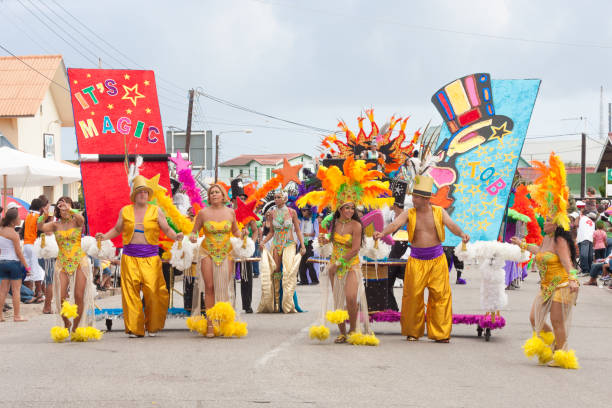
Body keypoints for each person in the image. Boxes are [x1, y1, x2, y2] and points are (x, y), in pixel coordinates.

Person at [298, 156, 388, 345]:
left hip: (351, 265)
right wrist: (323, 241)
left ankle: (353, 329)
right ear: (339, 208)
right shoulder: (335, 223)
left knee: (350, 297)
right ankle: (342, 333)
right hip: (334, 266)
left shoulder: (356, 225)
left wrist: (340, 262)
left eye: (351, 208)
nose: (349, 210)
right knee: (338, 300)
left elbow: (355, 249)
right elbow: (332, 242)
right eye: (346, 208)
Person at [375, 174, 470, 343]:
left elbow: (451, 225)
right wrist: (382, 233)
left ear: (425, 198)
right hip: (416, 260)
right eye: (413, 196)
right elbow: (395, 224)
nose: (412, 199)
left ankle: (440, 334)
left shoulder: (439, 212)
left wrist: (462, 233)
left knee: (440, 296)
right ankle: (413, 331)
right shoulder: (408, 213)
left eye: (416, 197)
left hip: (437, 260)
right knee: (412, 296)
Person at [511, 152, 580, 368]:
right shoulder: (545, 238)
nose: (544, 222)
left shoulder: (559, 239)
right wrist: (521, 244)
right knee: (535, 318)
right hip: (546, 286)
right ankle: (552, 346)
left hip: (561, 285)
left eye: (548, 220)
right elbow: (537, 250)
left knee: (558, 322)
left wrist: (573, 279)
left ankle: (561, 355)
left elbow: (568, 262)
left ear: (556, 223)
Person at [97, 175, 183, 337]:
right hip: (130, 257)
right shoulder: (125, 210)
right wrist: (104, 237)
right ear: (134, 195)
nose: (143, 194)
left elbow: (166, 229)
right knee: (131, 293)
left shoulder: (156, 210)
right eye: (140, 191)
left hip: (151, 257)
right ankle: (135, 328)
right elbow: (117, 229)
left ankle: (153, 325)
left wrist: (176, 236)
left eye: (145, 192)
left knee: (154, 293)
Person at [189, 184, 241, 336]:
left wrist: (241, 235)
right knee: (210, 286)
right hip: (207, 252)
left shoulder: (230, 212)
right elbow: (195, 231)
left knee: (224, 287)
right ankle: (210, 324)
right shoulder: (203, 213)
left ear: (223, 195)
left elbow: (235, 230)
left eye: (217, 192)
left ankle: (224, 322)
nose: (214, 195)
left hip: (226, 252)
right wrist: (192, 237)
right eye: (211, 193)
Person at [38, 197, 93, 331]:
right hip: (62, 262)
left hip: (79, 261)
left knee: (79, 295)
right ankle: (66, 321)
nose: (63, 207)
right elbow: (41, 227)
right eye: (60, 205)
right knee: (60, 296)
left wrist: (69, 209)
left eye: (66, 204)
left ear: (70, 206)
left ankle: (76, 326)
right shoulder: (55, 225)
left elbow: (82, 220)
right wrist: (44, 216)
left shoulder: (77, 221)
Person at [258, 190, 306, 313]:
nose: (276, 199)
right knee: (276, 271)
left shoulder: (292, 212)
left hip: (289, 244)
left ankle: (289, 303)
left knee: (288, 272)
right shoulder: (273, 213)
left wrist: (302, 245)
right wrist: (263, 242)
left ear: (285, 199)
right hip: (276, 244)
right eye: (275, 197)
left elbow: (298, 230)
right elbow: (272, 232)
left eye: (279, 197)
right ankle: (277, 304)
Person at [0, 208, 31, 322]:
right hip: (13, 263)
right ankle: (17, 316)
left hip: (2, 262)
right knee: (16, 290)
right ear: (13, 221)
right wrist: (27, 266)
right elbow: (18, 253)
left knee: (2, 291)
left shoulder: (1, 230)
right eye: (18, 217)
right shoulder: (14, 234)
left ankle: (0, 316)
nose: (20, 219)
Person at [22, 198, 45, 302]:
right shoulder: (38, 217)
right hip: (33, 244)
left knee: (28, 270)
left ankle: (28, 294)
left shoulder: (28, 215)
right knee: (36, 269)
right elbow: (41, 229)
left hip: (26, 244)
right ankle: (39, 293)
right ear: (41, 207)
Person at [298, 205, 319, 285]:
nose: (302, 212)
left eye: (304, 210)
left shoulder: (314, 220)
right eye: (302, 210)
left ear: (309, 211)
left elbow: (316, 232)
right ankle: (304, 280)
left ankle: (314, 280)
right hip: (302, 242)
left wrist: (309, 234)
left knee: (310, 261)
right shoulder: (301, 220)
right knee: (301, 262)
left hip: (310, 243)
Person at [575, 210, 595, 276]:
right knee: (589, 255)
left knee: (583, 255)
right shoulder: (592, 222)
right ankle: (589, 270)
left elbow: (575, 224)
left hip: (583, 238)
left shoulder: (582, 218)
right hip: (590, 238)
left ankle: (585, 270)